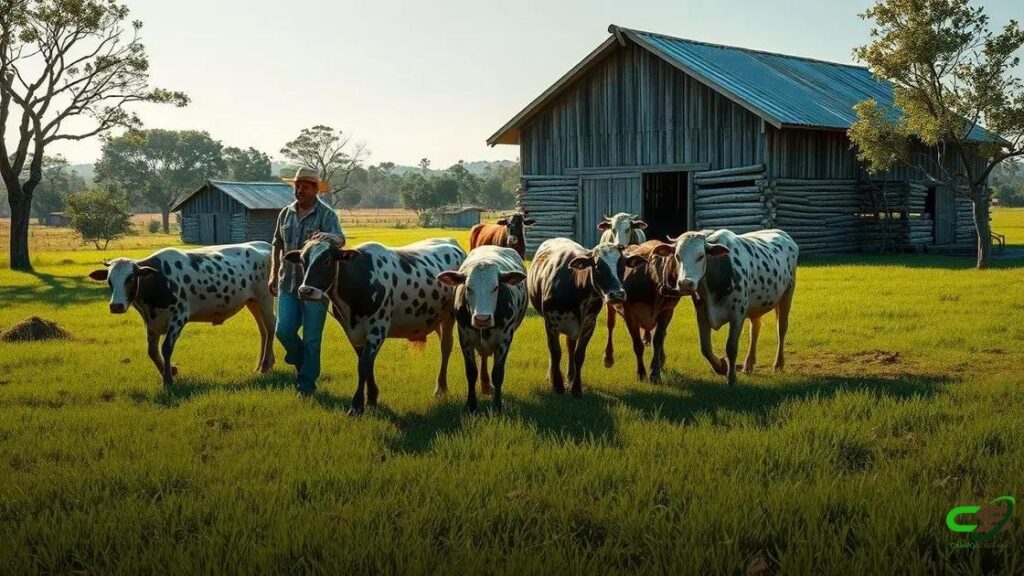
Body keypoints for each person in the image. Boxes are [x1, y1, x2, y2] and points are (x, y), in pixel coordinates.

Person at [269, 166, 344, 397]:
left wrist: (329, 237)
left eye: (304, 186)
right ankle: (300, 358)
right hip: (287, 283)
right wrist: (273, 272)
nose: (299, 189)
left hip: (314, 287)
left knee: (312, 338)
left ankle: (306, 385)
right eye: (297, 185)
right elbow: (277, 244)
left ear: (315, 189)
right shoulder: (286, 213)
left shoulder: (327, 215)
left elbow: (340, 241)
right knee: (283, 330)